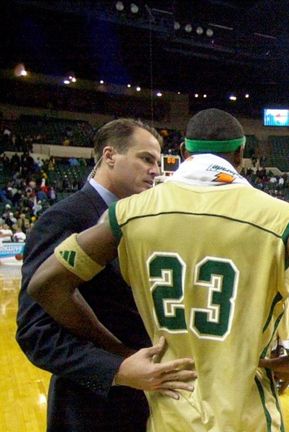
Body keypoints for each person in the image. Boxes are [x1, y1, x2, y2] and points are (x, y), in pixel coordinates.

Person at [26, 108, 289, 432]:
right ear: (242, 155)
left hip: (168, 406)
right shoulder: (277, 216)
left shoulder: (127, 215)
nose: (154, 170)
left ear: (183, 151)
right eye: (147, 159)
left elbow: (46, 284)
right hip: (243, 411)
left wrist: (117, 349)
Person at [16, 118, 196, 431]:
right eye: (146, 159)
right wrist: (120, 368)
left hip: (148, 404)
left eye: (158, 161)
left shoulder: (141, 219)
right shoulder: (64, 218)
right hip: (92, 410)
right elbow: (36, 332)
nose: (156, 170)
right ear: (110, 156)